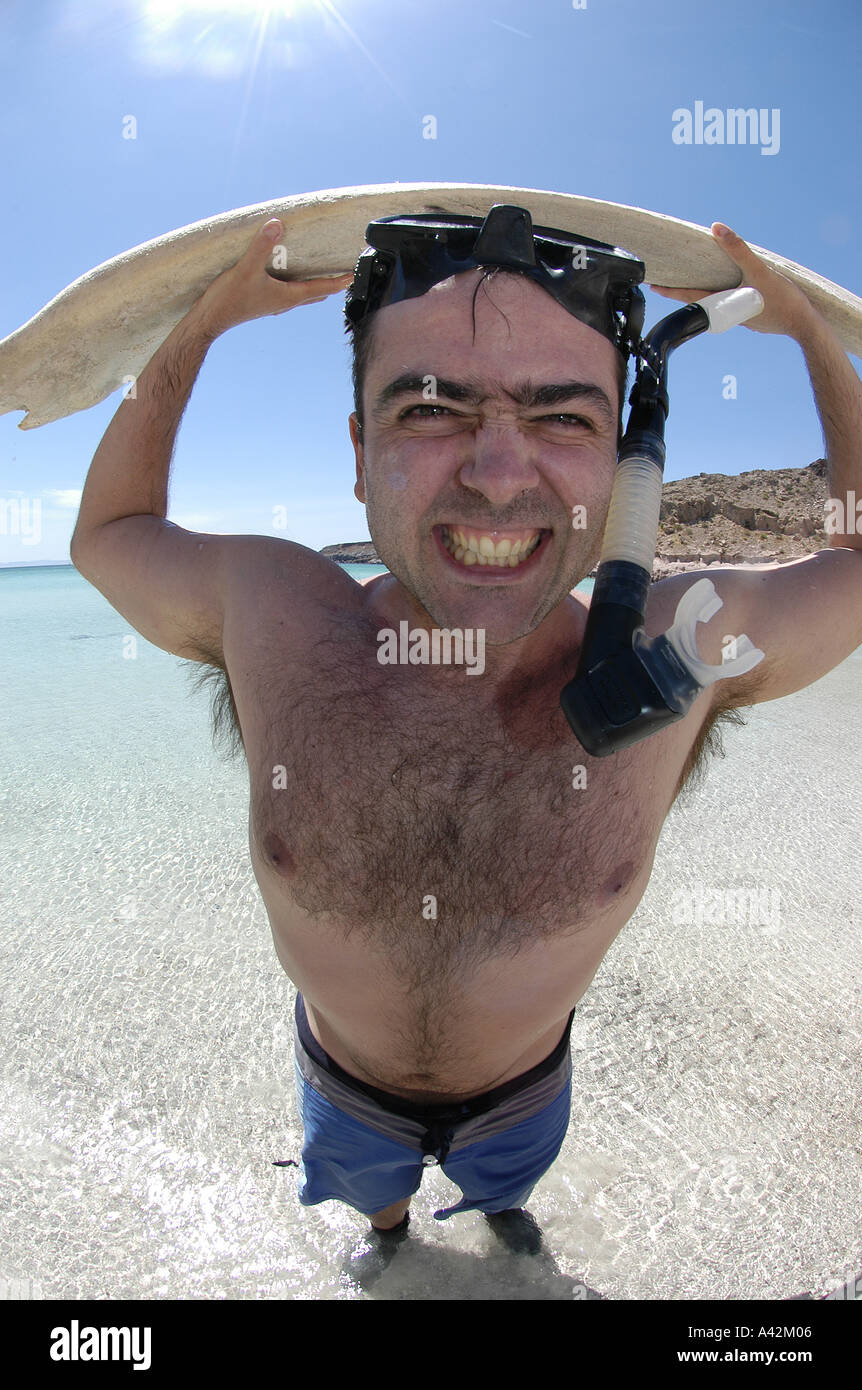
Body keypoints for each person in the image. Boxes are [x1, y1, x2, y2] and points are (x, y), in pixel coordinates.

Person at [69, 208, 862, 1252]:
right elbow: (109, 535)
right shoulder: (276, 619)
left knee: (505, 1193)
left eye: (564, 419)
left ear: (629, 469)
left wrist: (813, 339)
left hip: (523, 1089)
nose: (497, 475)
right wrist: (201, 327)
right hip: (344, 1084)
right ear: (359, 452)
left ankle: (498, 1213)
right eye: (431, 410)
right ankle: (391, 1232)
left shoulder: (684, 653)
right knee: (375, 1204)